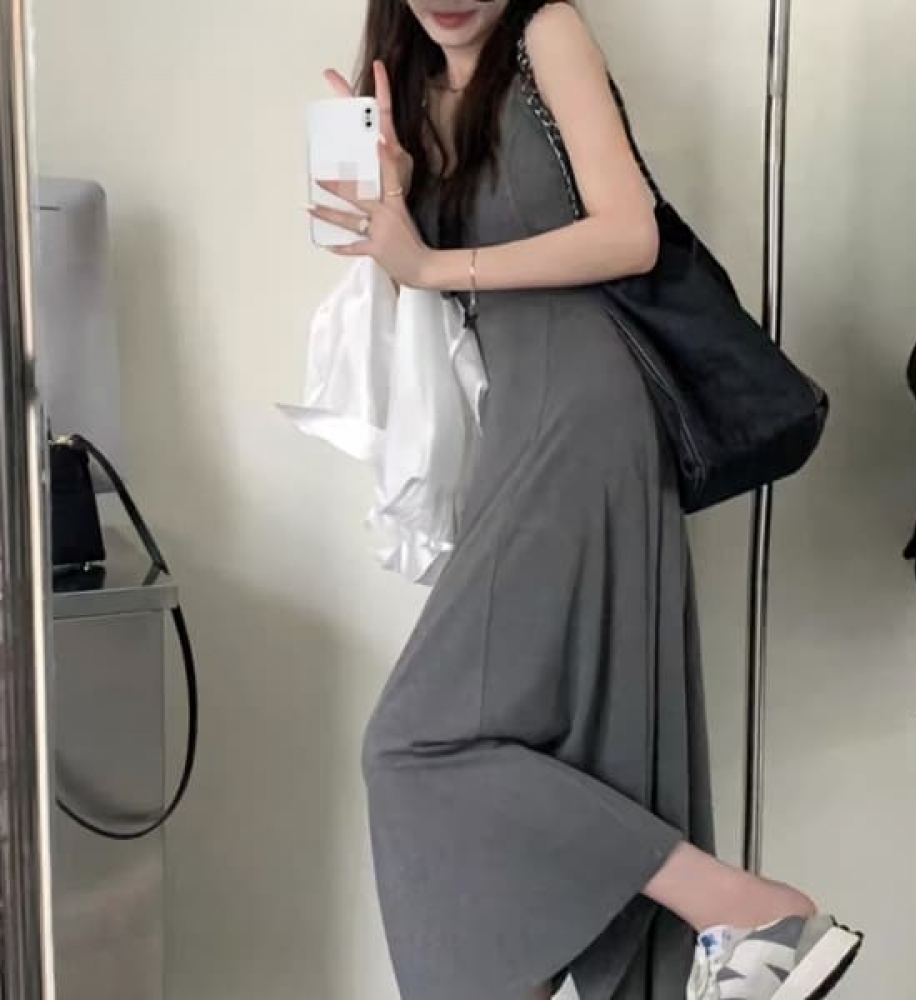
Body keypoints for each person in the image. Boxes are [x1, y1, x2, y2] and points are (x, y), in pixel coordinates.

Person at [308, 2, 862, 998]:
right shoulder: (411, 98)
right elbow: (423, 317)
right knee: (581, 746)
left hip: (587, 408)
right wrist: (395, 210)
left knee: (412, 741)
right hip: (516, 424)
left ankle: (746, 906)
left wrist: (430, 260)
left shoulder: (547, 34)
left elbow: (629, 234)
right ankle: (732, 923)